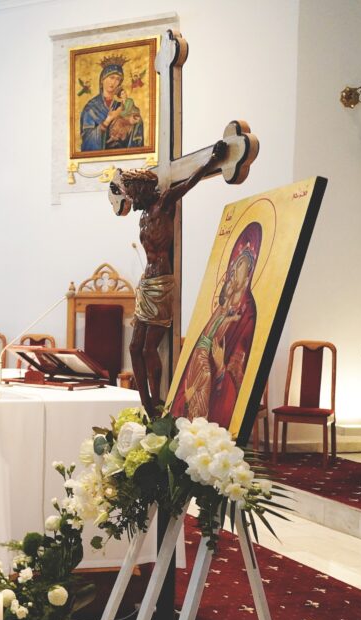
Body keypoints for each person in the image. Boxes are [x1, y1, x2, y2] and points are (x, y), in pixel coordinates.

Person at [109, 139, 227, 415]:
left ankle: (157, 401)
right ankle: (146, 403)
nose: (130, 199)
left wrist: (212, 161)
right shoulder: (142, 216)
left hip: (161, 283)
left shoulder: (164, 203)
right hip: (146, 283)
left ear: (143, 189)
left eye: (132, 193)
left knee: (149, 348)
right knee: (134, 347)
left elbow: (190, 182)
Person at [169, 222, 261, 425]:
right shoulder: (222, 305)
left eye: (240, 265)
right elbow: (204, 339)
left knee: (203, 384)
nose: (234, 269)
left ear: (249, 272)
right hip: (202, 366)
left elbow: (239, 369)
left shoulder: (248, 312)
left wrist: (220, 366)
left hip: (217, 384)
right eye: (234, 264)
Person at [79, 55, 144, 152]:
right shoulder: (91, 107)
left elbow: (137, 121)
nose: (114, 82)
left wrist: (131, 121)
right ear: (102, 79)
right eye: (111, 77)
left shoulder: (123, 103)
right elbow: (87, 140)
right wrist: (107, 121)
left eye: (118, 79)